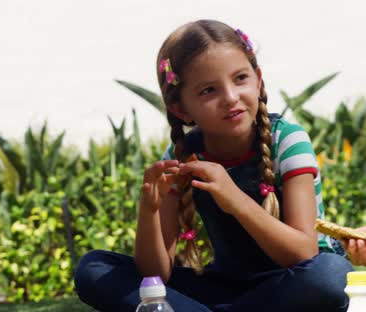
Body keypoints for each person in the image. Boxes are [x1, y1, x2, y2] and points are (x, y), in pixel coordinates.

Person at [74, 20, 352, 312]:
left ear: (258, 80)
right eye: (208, 90)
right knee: (94, 268)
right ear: (181, 109)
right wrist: (149, 211)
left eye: (240, 78)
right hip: (226, 288)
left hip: (291, 283)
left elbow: (303, 253)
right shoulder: (183, 156)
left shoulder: (287, 139)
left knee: (331, 275)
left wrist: (234, 198)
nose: (231, 98)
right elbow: (155, 276)